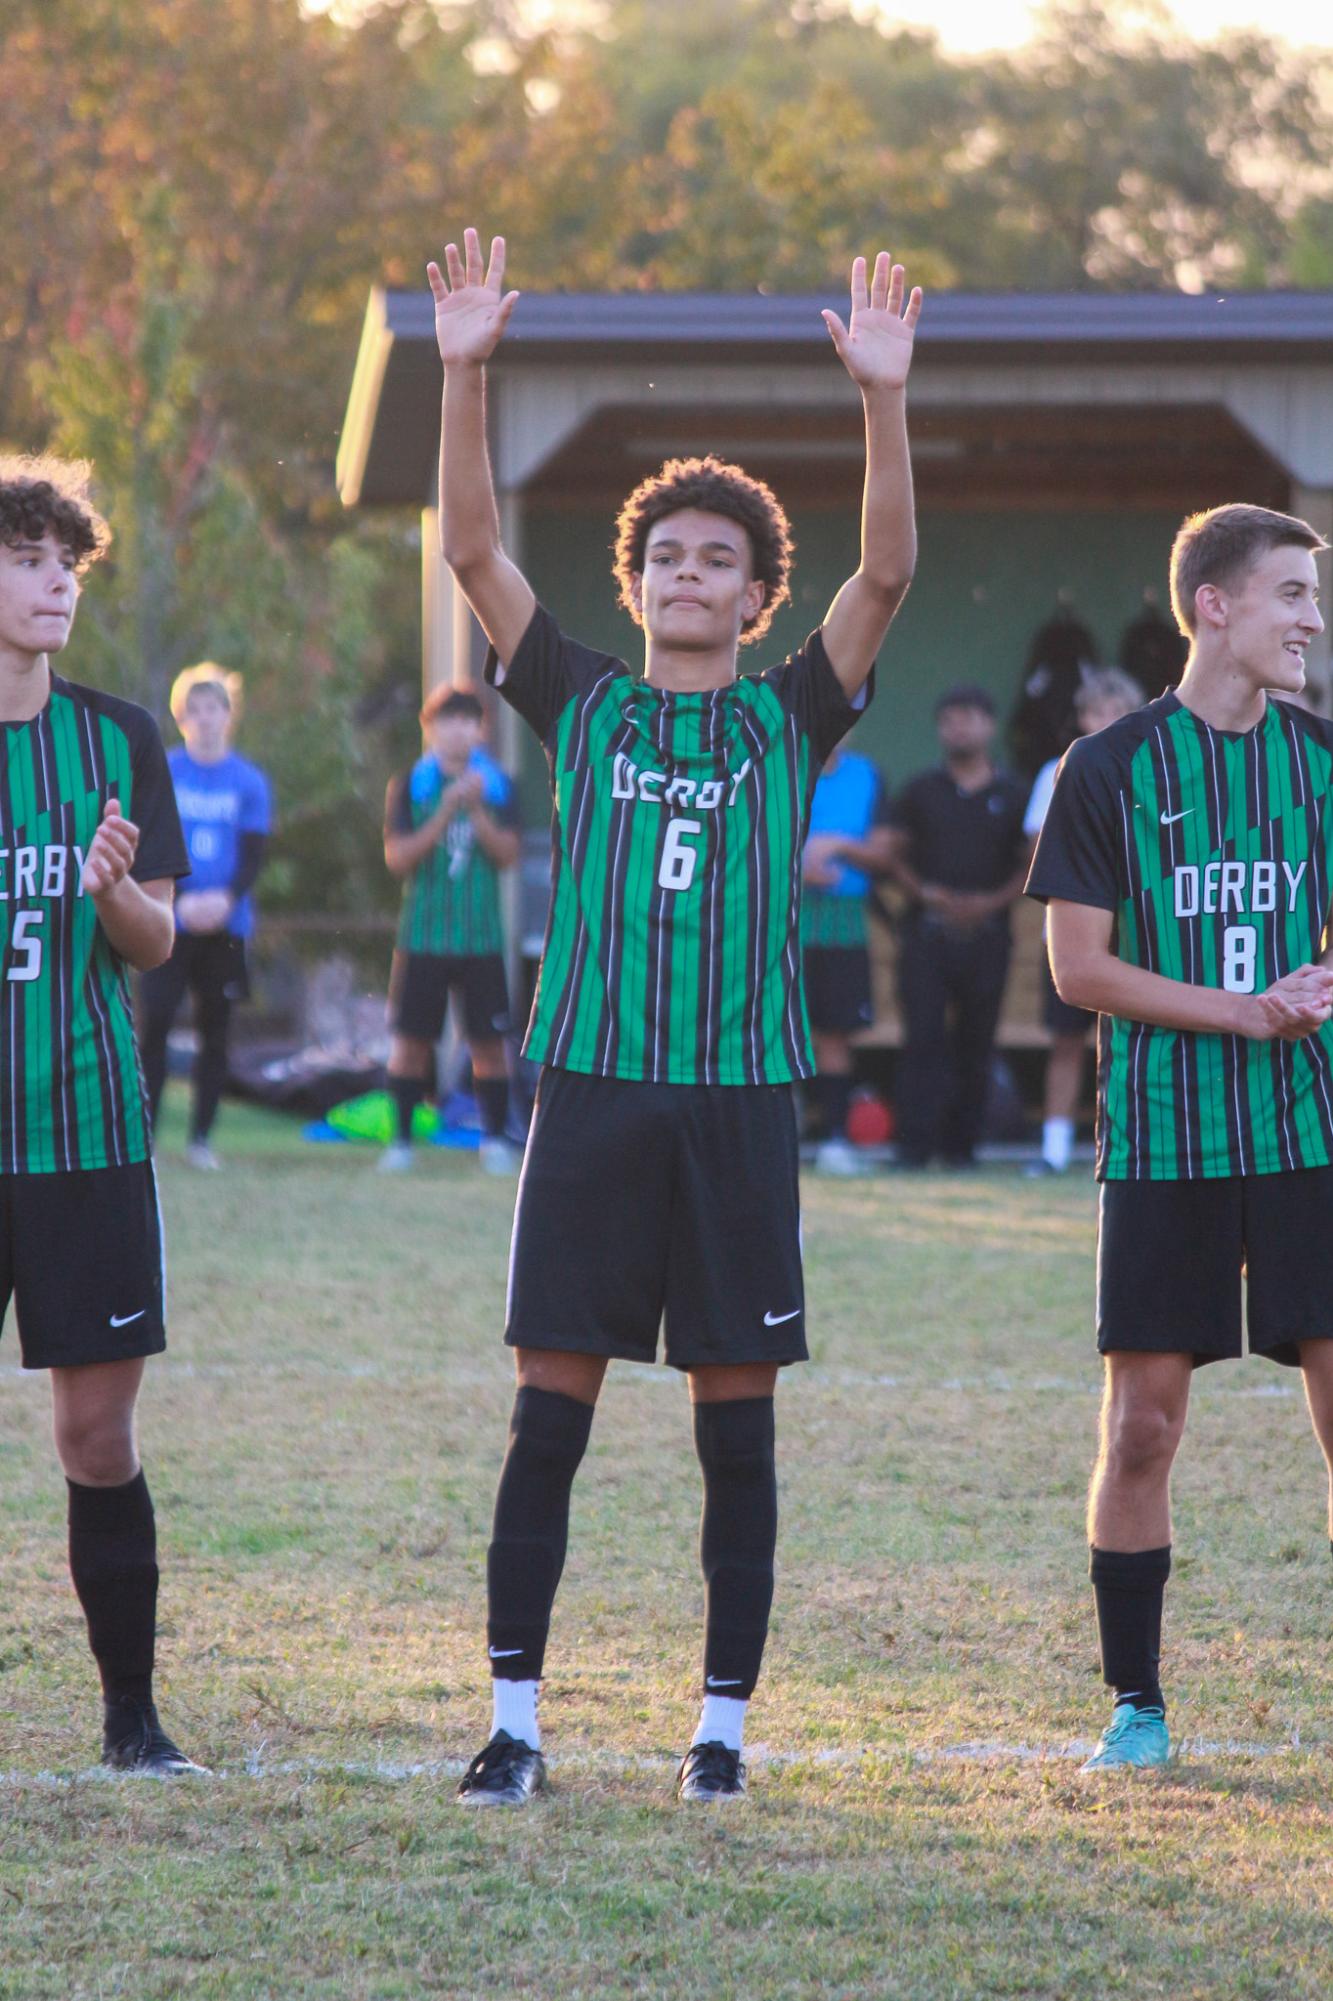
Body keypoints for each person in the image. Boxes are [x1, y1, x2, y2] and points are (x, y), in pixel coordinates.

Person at [429, 228, 919, 1804]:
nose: (688, 575)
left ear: (758, 594)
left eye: (718, 560)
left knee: (735, 1436)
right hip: (589, 1093)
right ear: (632, 586)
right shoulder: (581, 699)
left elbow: (890, 571)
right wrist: (463, 368)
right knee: (546, 1420)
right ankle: (513, 1723)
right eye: (666, 558)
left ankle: (718, 1735)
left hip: (733, 1101)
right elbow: (470, 554)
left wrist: (882, 406)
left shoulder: (792, 713)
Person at [1027, 502, 1333, 1771]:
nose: (1310, 621)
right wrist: (1242, 1012)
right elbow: (1076, 970)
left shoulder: (1324, 762)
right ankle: (1136, 1709)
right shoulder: (1109, 770)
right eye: (1290, 596)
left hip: (1311, 1138)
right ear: (1212, 605)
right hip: (1162, 1144)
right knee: (1141, 1430)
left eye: (1312, 599)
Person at [0, 455, 204, 1773]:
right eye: (25, 557)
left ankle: (133, 1721)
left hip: (84, 1139)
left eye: (67, 560)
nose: (55, 579)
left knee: (96, 1432)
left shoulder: (120, 736)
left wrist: (112, 888)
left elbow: (154, 940)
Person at [884, 687, 1031, 1168]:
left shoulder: (1014, 793)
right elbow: (894, 855)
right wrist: (925, 893)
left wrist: (991, 902)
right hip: (926, 933)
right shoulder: (920, 789)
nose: (958, 727)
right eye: (948, 719)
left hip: (989, 935)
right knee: (922, 1039)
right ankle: (913, 1148)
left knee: (977, 1042)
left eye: (968, 718)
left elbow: (1031, 862)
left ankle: (962, 1150)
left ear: (989, 725)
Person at [380, 683, 522, 1174]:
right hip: (423, 938)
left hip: (481, 939)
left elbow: (507, 857)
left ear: (480, 729)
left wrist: (477, 809)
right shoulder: (410, 785)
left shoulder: (500, 785)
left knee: (489, 1044)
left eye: (467, 721)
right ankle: (401, 1142)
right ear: (430, 728)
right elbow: (398, 859)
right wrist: (445, 809)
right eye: (447, 721)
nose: (457, 731)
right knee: (411, 1041)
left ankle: (495, 1141)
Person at [139, 664, 272, 1168]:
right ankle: (145, 1140)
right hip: (171, 918)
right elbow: (149, 840)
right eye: (194, 709)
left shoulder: (250, 780)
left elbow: (254, 854)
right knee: (156, 1026)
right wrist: (179, 898)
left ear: (228, 715)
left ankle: (201, 1139)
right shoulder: (166, 771)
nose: (205, 718)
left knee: (216, 1031)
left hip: (226, 925)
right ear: (180, 717)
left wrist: (226, 900)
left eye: (213, 707)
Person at [1022, 668, 1143, 1176]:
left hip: (1139, 940)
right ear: (1083, 716)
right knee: (1067, 1043)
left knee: (1135, 1045)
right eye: (1098, 710)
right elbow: (1038, 849)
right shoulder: (1059, 769)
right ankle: (1054, 1149)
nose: (1107, 720)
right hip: (1072, 937)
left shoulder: (1149, 768)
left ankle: (1133, 1140)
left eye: (1119, 710)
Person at [801, 739, 894, 1173]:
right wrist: (796, 866)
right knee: (774, 1033)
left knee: (836, 1033)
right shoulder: (782, 766)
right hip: (780, 922)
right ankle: (782, 1134)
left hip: (844, 924)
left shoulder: (868, 774)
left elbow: (882, 853)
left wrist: (836, 844)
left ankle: (835, 1141)